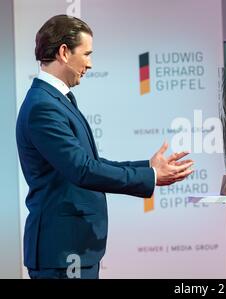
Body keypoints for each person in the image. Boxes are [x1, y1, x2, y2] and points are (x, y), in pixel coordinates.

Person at [16, 15, 194, 279]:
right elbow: (83, 170)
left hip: (74, 248)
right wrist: (151, 177)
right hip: (64, 250)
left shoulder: (53, 100)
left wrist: (147, 167)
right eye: (86, 54)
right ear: (64, 52)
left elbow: (89, 162)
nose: (90, 63)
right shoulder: (44, 106)